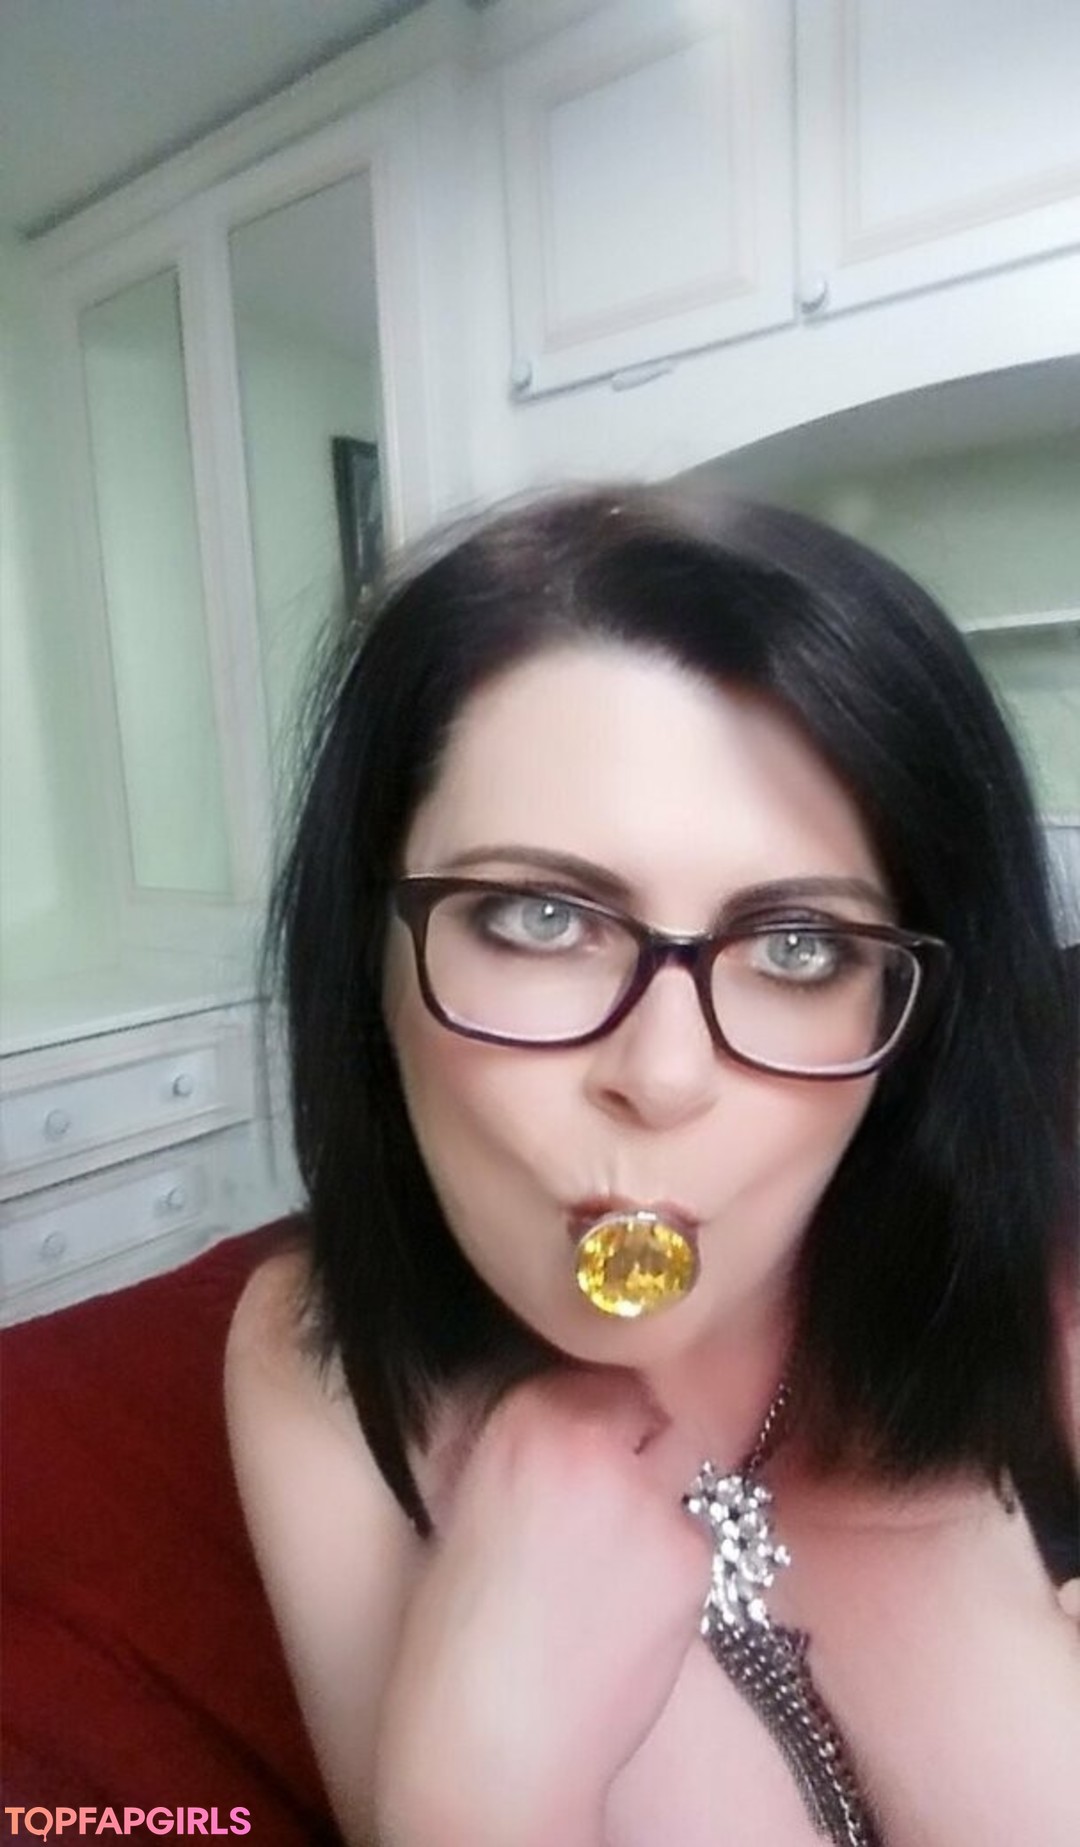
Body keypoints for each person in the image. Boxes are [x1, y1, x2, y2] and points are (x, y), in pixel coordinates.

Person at [225, 487, 1080, 1847]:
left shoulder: (1028, 1276)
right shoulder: (321, 1354)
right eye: (539, 916)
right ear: (367, 952)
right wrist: (474, 1794)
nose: (666, 1075)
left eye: (800, 947)